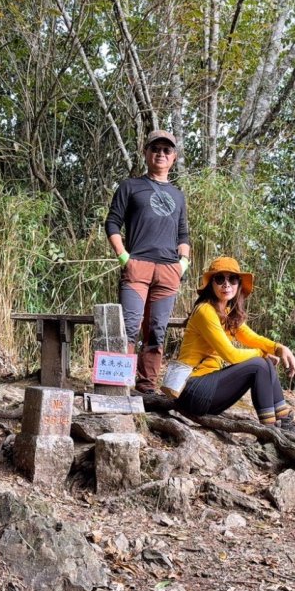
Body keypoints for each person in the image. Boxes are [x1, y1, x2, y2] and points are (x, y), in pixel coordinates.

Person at [105, 130, 191, 393]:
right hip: (137, 266)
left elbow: (183, 234)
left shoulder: (178, 195)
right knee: (129, 327)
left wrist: (183, 263)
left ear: (173, 157)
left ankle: (146, 388)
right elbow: (112, 223)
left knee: (156, 330)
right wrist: (124, 258)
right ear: (146, 153)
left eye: (167, 150)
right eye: (156, 149)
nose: (161, 154)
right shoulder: (130, 186)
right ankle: (119, 386)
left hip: (168, 271)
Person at [174, 256, 295, 429]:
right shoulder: (205, 311)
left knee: (263, 364)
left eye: (232, 279)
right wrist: (262, 354)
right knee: (259, 364)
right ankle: (271, 432)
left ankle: (286, 425)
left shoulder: (226, 312)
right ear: (211, 284)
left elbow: (252, 337)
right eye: (220, 279)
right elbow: (231, 354)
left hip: (207, 391)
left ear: (239, 284)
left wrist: (278, 348)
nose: (226, 284)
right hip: (192, 389)